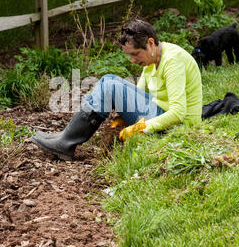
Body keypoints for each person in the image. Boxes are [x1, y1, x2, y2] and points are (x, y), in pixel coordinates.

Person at [32, 19, 202, 160]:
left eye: (135, 54)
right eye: (129, 55)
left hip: (179, 125)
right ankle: (67, 136)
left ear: (150, 43)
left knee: (109, 84)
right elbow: (138, 94)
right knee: (109, 80)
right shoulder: (153, 58)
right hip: (160, 112)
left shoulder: (172, 61)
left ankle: (67, 142)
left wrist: (141, 127)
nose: (133, 61)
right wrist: (124, 118)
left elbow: (179, 112)